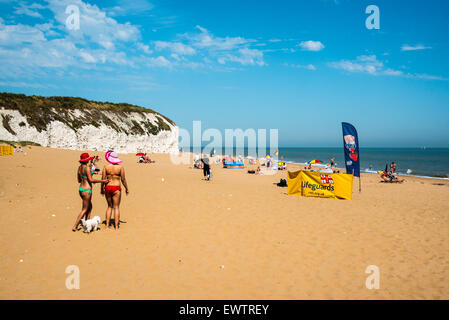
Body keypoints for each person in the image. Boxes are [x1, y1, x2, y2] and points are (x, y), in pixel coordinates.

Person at [72, 153, 108, 232]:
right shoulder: (87, 168)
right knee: (85, 209)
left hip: (81, 189)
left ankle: (86, 222)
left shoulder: (79, 168)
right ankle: (75, 226)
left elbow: (79, 180)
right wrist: (103, 181)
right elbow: (91, 180)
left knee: (89, 207)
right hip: (87, 190)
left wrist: (88, 178)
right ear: (87, 160)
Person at [101, 151, 129, 230]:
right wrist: (126, 188)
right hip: (116, 187)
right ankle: (116, 227)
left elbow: (103, 179)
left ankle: (107, 225)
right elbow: (123, 179)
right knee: (116, 207)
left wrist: (101, 189)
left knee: (109, 206)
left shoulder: (106, 167)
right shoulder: (120, 167)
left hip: (108, 187)